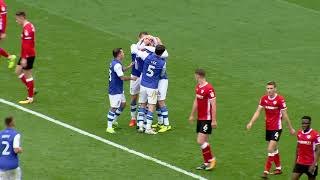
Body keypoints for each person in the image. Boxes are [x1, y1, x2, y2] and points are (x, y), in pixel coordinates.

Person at [246, 81, 295, 178]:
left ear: (275, 89)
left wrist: (290, 128)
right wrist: (251, 122)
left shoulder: (280, 99)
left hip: (277, 128)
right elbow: (258, 111)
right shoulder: (264, 99)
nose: (269, 90)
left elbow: (285, 115)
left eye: (271, 88)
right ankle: (278, 168)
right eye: (268, 88)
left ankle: (266, 171)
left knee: (270, 148)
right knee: (274, 148)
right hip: (268, 128)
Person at [135, 44, 167, 134]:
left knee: (142, 105)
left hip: (143, 85)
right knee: (151, 106)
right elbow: (162, 74)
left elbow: (136, 51)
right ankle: (148, 128)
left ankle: (140, 126)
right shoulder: (163, 63)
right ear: (162, 53)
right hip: (153, 87)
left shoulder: (147, 56)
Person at [189, 69, 217, 171]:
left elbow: (213, 105)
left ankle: (212, 159)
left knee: (200, 141)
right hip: (200, 118)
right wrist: (192, 114)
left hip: (207, 119)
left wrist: (214, 120)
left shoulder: (209, 89)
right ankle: (206, 163)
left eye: (195, 76)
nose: (194, 77)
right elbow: (196, 101)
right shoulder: (198, 87)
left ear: (198, 76)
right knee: (204, 141)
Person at [107, 48, 135, 134]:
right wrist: (131, 78)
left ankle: (114, 121)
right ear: (119, 54)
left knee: (123, 104)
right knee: (114, 107)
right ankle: (109, 127)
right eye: (122, 52)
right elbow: (122, 78)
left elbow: (121, 70)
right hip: (115, 89)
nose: (124, 53)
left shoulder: (115, 61)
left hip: (119, 88)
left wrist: (129, 66)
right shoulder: (117, 65)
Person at [15, 11, 36, 104]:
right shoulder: (29, 26)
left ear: (22, 17)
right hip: (26, 54)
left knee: (28, 75)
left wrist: (24, 58)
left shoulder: (27, 28)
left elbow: (27, 45)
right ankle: (31, 88)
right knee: (18, 71)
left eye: (17, 19)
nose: (16, 21)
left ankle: (30, 97)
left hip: (28, 55)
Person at [128, 32, 149, 127]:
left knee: (145, 99)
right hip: (135, 75)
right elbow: (135, 49)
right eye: (144, 38)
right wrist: (142, 42)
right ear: (139, 38)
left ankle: (144, 120)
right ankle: (133, 118)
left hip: (145, 76)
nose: (146, 40)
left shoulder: (149, 49)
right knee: (133, 97)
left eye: (147, 38)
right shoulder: (134, 46)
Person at [292, 116, 320, 180]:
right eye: (303, 123)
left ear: (310, 123)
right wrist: (295, 161)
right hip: (300, 163)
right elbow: (298, 148)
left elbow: (318, 150)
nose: (304, 125)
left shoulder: (315, 134)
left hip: (310, 164)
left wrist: (313, 165)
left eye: (306, 123)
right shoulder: (299, 133)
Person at [0, 0, 16, 69]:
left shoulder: (1, 3)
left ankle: (10, 57)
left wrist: (3, 32)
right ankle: (10, 57)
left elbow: (4, 18)